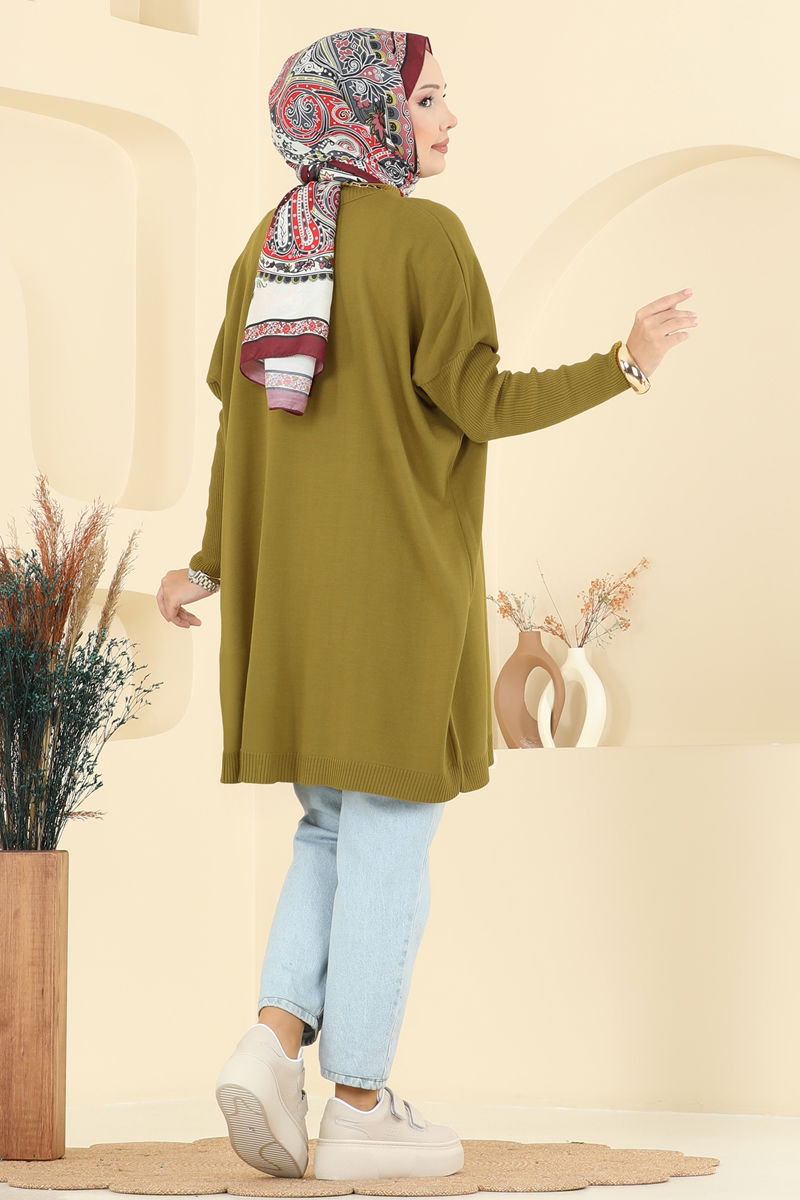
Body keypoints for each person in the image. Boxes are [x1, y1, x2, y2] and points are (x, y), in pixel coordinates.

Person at [155, 26, 698, 1183]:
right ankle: (358, 1105)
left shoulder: (272, 244)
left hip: (292, 612)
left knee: (328, 827)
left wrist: (206, 565)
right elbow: (481, 401)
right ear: (369, 112)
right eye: (429, 98)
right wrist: (626, 364)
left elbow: (240, 426)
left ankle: (271, 1045)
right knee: (391, 842)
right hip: (396, 601)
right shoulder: (424, 238)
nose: (449, 118)